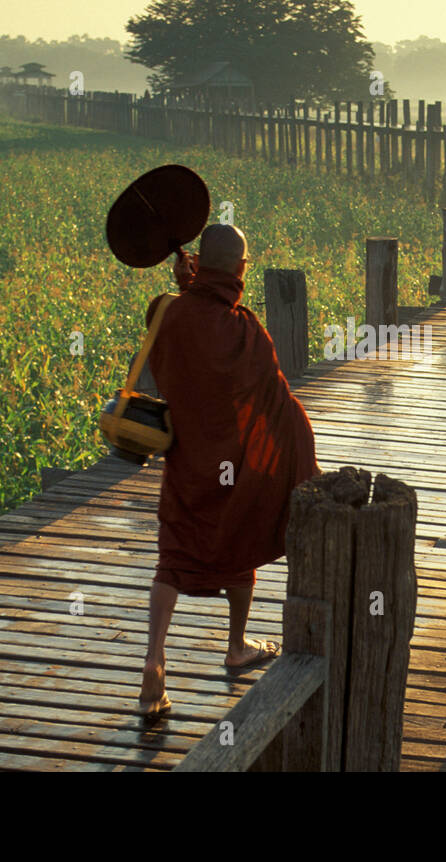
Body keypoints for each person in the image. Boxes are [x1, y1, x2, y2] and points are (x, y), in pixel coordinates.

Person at [137, 223, 320, 718]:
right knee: (240, 542)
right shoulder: (247, 332)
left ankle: (154, 657)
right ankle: (237, 645)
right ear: (240, 269)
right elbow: (276, 399)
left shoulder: (166, 312)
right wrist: (298, 448)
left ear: (199, 262)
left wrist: (182, 288)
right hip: (230, 466)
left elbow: (182, 327)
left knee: (173, 556)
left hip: (185, 459)